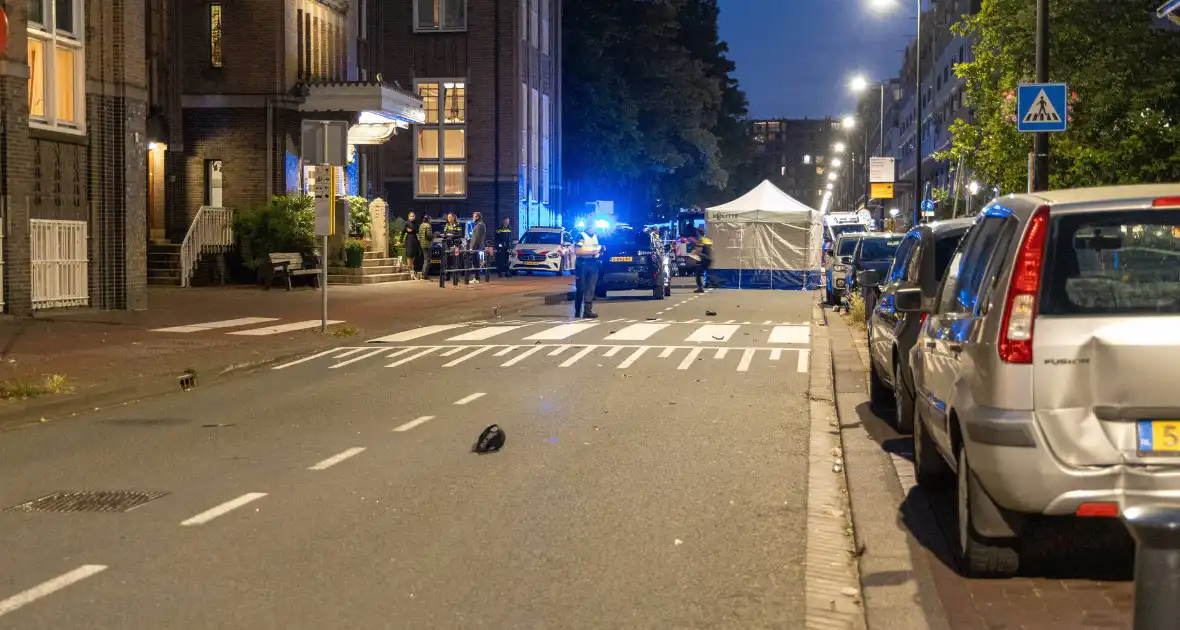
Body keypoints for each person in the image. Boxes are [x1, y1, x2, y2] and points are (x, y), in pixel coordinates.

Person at [573, 222, 603, 319]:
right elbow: (577, 251)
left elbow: (595, 247)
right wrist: (592, 252)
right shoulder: (581, 236)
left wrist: (600, 250)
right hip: (583, 263)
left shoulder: (595, 236)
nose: (592, 229)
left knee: (591, 288)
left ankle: (587, 311)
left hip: (593, 263)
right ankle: (577, 311)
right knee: (581, 288)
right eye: (591, 227)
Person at [443, 213, 465, 286]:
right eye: (448, 217)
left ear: (453, 217)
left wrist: (452, 235)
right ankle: (447, 276)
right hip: (448, 244)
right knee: (447, 260)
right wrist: (451, 234)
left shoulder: (457, 224)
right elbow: (445, 233)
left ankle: (456, 277)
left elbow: (460, 234)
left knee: (456, 260)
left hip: (455, 244)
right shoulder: (446, 225)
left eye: (450, 217)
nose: (448, 218)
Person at [468, 211, 487, 283]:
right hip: (477, 247)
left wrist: (472, 248)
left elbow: (477, 237)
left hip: (476, 248)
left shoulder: (479, 225)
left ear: (477, 217)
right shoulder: (479, 224)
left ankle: (477, 278)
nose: (472, 218)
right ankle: (476, 278)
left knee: (476, 263)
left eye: (474, 216)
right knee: (476, 263)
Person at [404, 211, 422, 281]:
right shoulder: (406, 223)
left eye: (413, 216)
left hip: (415, 240)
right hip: (409, 240)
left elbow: (417, 230)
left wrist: (411, 230)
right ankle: (410, 271)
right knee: (409, 255)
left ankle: (412, 270)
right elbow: (403, 232)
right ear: (408, 217)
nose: (412, 217)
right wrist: (406, 229)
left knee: (413, 256)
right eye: (411, 216)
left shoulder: (416, 223)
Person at [418, 214, 434, 280]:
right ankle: (424, 275)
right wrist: (435, 235)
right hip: (427, 245)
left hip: (422, 244)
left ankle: (423, 274)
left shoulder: (421, 225)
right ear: (428, 219)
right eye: (430, 219)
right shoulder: (428, 225)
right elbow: (429, 236)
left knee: (425, 259)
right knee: (427, 260)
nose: (431, 220)